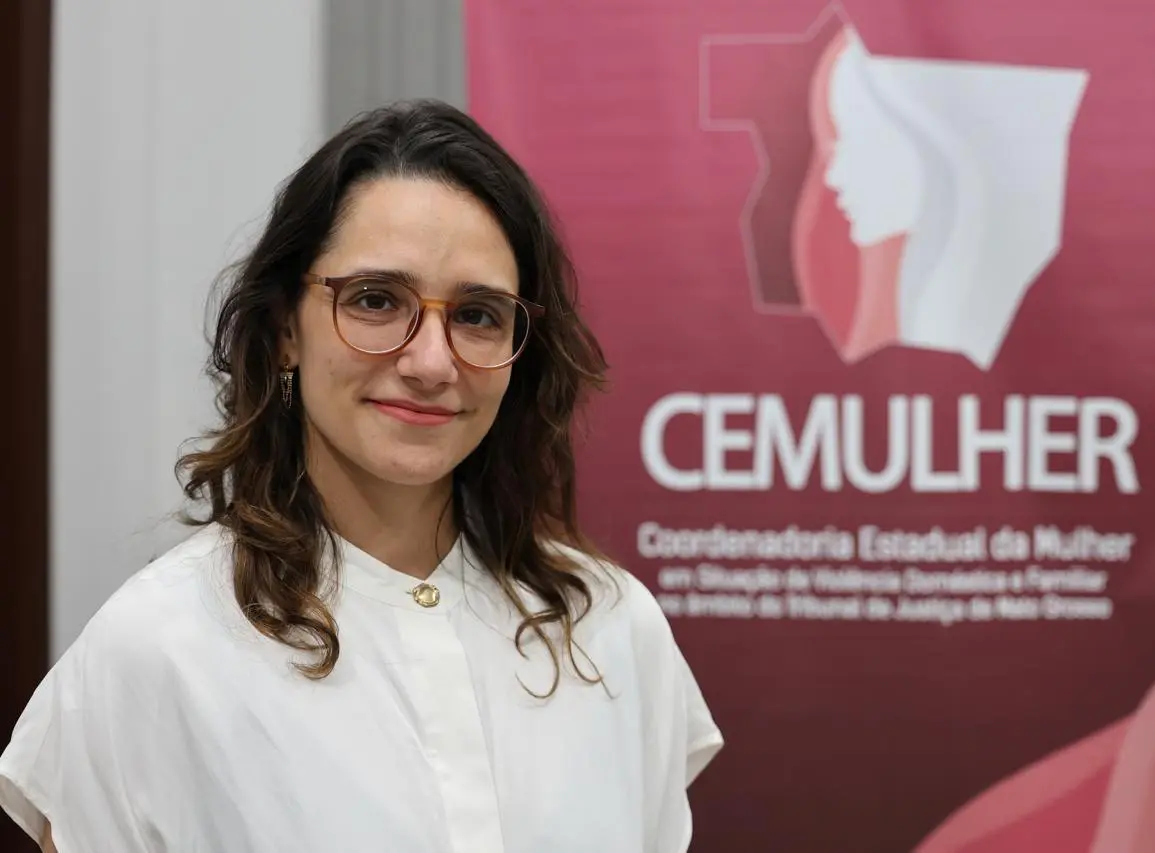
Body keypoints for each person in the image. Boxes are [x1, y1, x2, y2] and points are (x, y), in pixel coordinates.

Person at [0, 99, 724, 853]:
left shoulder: (611, 628)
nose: (432, 363)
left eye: (478, 314)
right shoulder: (158, 649)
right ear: (286, 328)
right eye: (377, 301)